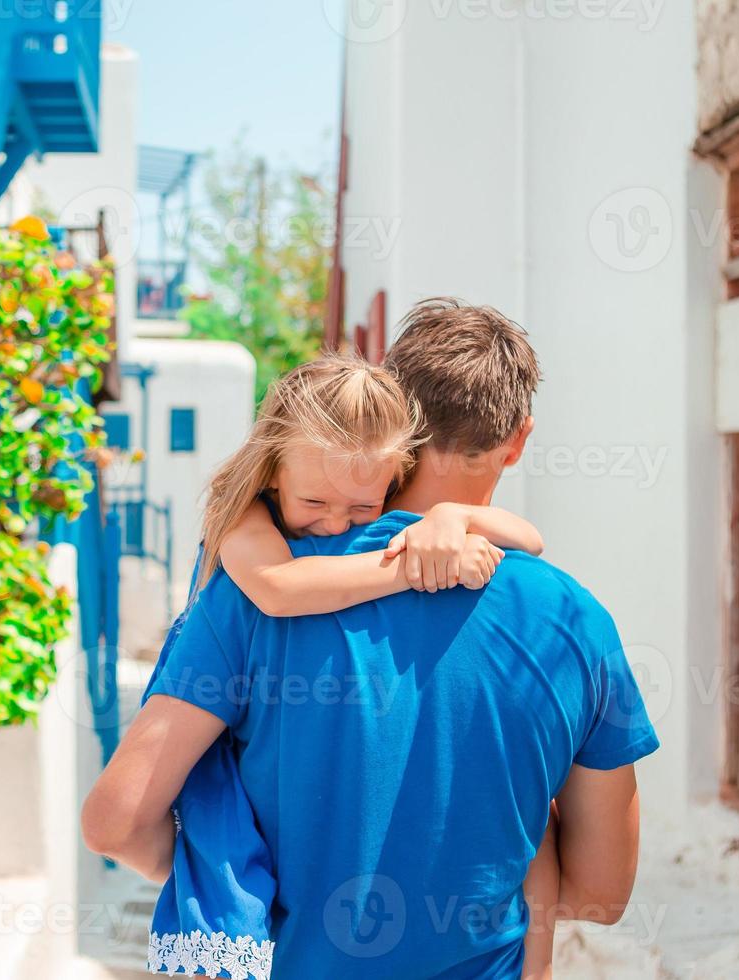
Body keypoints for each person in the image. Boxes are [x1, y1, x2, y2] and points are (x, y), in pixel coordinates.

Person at [83, 298, 659, 979]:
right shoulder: (575, 622)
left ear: (396, 423)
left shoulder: (253, 588)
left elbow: (117, 820)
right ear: (520, 437)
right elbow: (598, 895)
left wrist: (226, 875)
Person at [129, 354, 550, 979]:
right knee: (226, 871)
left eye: (360, 511)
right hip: (211, 738)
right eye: (314, 502)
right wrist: (415, 564)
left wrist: (451, 518)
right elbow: (281, 589)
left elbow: (530, 539)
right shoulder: (241, 514)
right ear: (272, 471)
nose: (332, 525)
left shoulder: (362, 502)